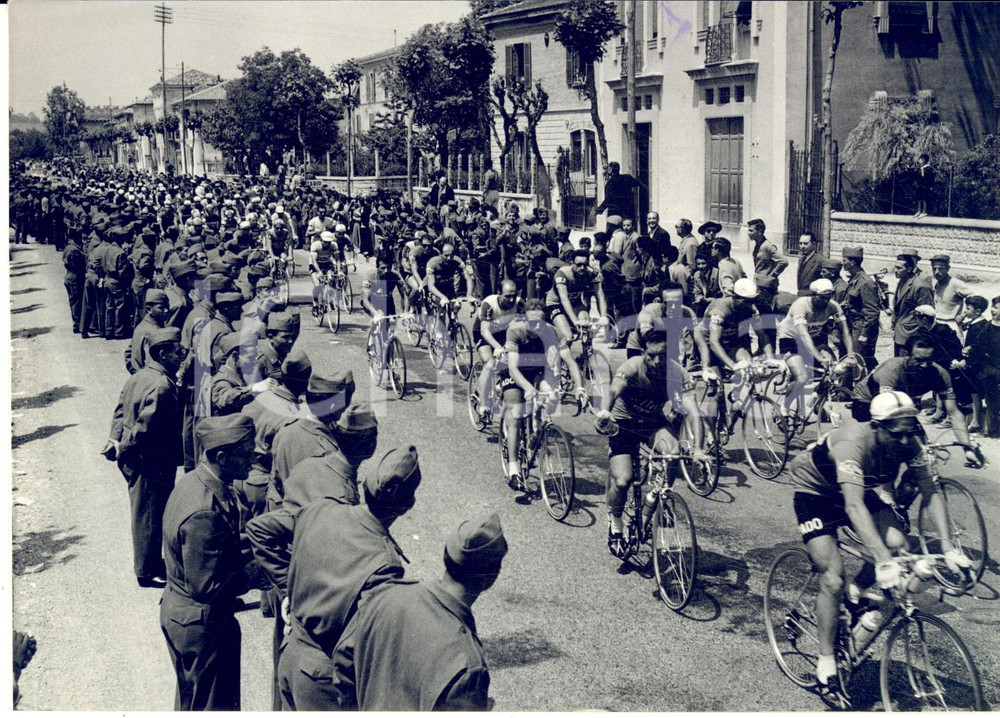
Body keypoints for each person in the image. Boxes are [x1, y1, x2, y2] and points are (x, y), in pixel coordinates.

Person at [787, 391, 970, 698]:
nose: (904, 440)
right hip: (815, 492)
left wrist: (950, 548)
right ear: (876, 426)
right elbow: (853, 507)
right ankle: (826, 660)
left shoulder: (911, 442)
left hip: (857, 489)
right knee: (832, 579)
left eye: (909, 431)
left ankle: (857, 591)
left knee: (899, 543)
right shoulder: (853, 443)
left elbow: (931, 491)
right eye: (896, 434)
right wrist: (883, 561)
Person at [277, 445, 420, 710]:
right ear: (407, 506)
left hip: (290, 653)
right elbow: (352, 647)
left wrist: (291, 596)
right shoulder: (385, 564)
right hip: (323, 679)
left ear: (364, 485)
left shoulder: (321, 508)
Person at [330, 512, 508, 711]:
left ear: (445, 556)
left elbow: (343, 660)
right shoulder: (468, 667)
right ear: (492, 575)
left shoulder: (384, 594)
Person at [160, 415, 261, 711]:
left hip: (187, 617)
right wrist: (254, 574)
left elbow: (212, 549)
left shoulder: (196, 482)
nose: (253, 459)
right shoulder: (204, 511)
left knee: (194, 702)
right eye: (246, 453)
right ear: (222, 457)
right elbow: (207, 586)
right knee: (211, 706)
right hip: (202, 627)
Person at [594, 329, 707, 558]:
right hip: (624, 423)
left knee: (673, 453)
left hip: (652, 424)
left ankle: (654, 499)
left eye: (661, 356)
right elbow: (613, 391)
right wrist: (605, 412)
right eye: (651, 355)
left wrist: (698, 450)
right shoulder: (631, 366)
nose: (656, 362)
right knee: (622, 481)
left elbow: (694, 412)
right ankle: (616, 524)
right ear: (643, 352)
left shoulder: (678, 373)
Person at [105, 327, 186, 588]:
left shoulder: (140, 376)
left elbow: (120, 410)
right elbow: (144, 427)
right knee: (149, 514)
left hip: (139, 458)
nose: (182, 355)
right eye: (177, 352)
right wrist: (123, 446)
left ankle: (149, 561)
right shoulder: (161, 386)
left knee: (145, 511)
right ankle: (146, 571)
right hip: (151, 459)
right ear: (162, 354)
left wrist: (114, 439)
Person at [850, 332, 980, 466]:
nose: (924, 366)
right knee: (888, 447)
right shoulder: (892, 369)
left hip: (901, 405)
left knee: (921, 451)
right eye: (919, 360)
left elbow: (954, 413)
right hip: (867, 402)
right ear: (905, 355)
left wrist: (967, 447)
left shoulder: (940, 374)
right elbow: (889, 411)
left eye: (929, 361)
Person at [501, 299, 587, 488]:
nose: (537, 327)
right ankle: (514, 470)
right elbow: (513, 369)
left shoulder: (552, 331)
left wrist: (580, 388)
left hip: (537, 370)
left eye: (540, 322)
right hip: (513, 372)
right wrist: (528, 388)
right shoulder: (515, 330)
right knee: (515, 416)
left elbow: (570, 362)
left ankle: (537, 427)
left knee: (552, 397)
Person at [775, 278, 853, 419]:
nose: (826, 301)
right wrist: (819, 358)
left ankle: (816, 400)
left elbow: (845, 332)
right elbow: (804, 335)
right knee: (802, 378)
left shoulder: (833, 306)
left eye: (829, 297)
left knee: (834, 371)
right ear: (813, 295)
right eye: (822, 297)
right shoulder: (800, 305)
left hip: (813, 339)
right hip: (791, 340)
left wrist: (851, 354)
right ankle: (784, 407)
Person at [471, 280, 523, 421]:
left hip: (504, 334)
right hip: (484, 334)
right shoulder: (489, 304)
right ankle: (483, 405)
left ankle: (502, 384)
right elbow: (485, 331)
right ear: (499, 294)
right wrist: (498, 347)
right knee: (490, 363)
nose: (511, 300)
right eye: (507, 296)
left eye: (514, 296)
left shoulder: (519, 304)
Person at [698, 277, 772, 372]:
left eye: (752, 301)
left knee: (746, 363)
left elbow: (762, 336)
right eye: (746, 301)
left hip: (729, 342)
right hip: (708, 342)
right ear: (735, 297)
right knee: (715, 374)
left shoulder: (751, 308)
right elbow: (714, 342)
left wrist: (771, 360)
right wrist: (733, 366)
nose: (749, 305)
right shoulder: (719, 310)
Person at [544, 250, 608, 345]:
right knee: (568, 337)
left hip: (575, 303)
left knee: (586, 329)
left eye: (585, 265)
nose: (582, 268)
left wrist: (603, 316)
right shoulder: (562, 273)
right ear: (571, 263)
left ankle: (587, 351)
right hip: (556, 304)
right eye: (579, 265)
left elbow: (600, 295)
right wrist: (575, 321)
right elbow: (564, 299)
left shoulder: (591, 273)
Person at [840, 246, 881, 371]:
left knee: (859, 361)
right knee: (853, 359)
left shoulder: (865, 282)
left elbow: (872, 312)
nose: (843, 263)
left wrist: (864, 334)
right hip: (853, 324)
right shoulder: (854, 278)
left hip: (861, 327)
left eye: (844, 260)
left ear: (852, 262)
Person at [892, 248, 934, 357]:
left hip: (911, 335)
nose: (895, 270)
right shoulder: (902, 281)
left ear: (909, 269)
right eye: (895, 267)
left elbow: (927, 314)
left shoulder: (920, 286)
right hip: (899, 334)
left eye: (899, 268)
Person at [124, 289, 169, 374]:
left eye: (167, 306)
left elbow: (128, 354)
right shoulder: (153, 332)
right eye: (161, 308)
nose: (166, 310)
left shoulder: (142, 325)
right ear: (149, 309)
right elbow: (153, 365)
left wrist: (136, 374)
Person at [748, 218, 788, 308]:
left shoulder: (768, 246)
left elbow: (784, 261)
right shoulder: (758, 244)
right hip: (759, 285)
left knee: (766, 311)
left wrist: (772, 275)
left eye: (751, 230)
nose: (748, 233)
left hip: (767, 287)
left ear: (760, 231)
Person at [930, 254, 971, 335]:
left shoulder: (956, 283)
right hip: (936, 324)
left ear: (948, 268)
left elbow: (975, 299)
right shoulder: (937, 283)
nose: (937, 272)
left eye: (940, 269)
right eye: (934, 269)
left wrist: (963, 315)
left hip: (951, 325)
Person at [309, 230, 341, 315]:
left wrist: (339, 271)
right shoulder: (315, 245)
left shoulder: (333, 245)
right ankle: (315, 304)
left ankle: (329, 299)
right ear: (321, 240)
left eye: (329, 242)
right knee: (317, 285)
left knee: (331, 279)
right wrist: (319, 272)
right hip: (315, 265)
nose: (327, 244)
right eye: (325, 242)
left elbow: (338, 259)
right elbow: (314, 261)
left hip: (327, 264)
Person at [914, 152, 934, 218]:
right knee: (919, 198)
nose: (919, 160)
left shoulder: (928, 169)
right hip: (919, 186)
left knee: (924, 198)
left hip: (925, 186)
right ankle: (919, 211)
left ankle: (924, 211)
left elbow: (931, 178)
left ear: (924, 160)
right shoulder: (920, 168)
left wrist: (931, 186)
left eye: (920, 159)